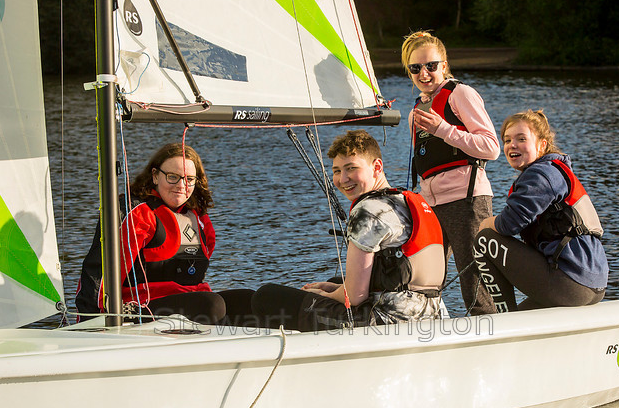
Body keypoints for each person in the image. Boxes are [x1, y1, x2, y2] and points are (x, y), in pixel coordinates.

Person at [251, 130, 447, 331]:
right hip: (431, 314)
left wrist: (324, 296)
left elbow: (354, 297)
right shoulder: (408, 203)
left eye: (351, 168)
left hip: (387, 321)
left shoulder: (368, 210)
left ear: (376, 167)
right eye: (336, 171)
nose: (343, 179)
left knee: (266, 296)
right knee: (335, 281)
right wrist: (336, 288)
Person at [75, 142, 251, 323]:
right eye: (173, 177)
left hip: (195, 306)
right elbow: (99, 273)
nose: (182, 185)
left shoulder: (199, 219)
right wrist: (90, 322)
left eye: (189, 179)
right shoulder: (137, 213)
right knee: (212, 305)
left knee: (250, 301)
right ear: (155, 176)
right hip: (138, 311)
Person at [400, 31, 501, 315]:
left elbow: (491, 148)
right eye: (416, 68)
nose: (424, 73)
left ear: (444, 65)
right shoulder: (416, 111)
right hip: (431, 207)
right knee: (424, 279)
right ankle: (426, 332)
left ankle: (490, 335)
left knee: (475, 282)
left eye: (431, 65)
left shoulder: (461, 94)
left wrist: (443, 129)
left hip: (467, 201)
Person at [475, 110, 608, 312]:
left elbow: (510, 224)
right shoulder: (553, 171)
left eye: (522, 139)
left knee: (485, 238)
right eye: (507, 140)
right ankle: (515, 320)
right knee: (524, 315)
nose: (512, 145)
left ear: (542, 145)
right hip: (592, 284)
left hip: (570, 282)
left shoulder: (541, 174)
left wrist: (487, 223)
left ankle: (503, 320)